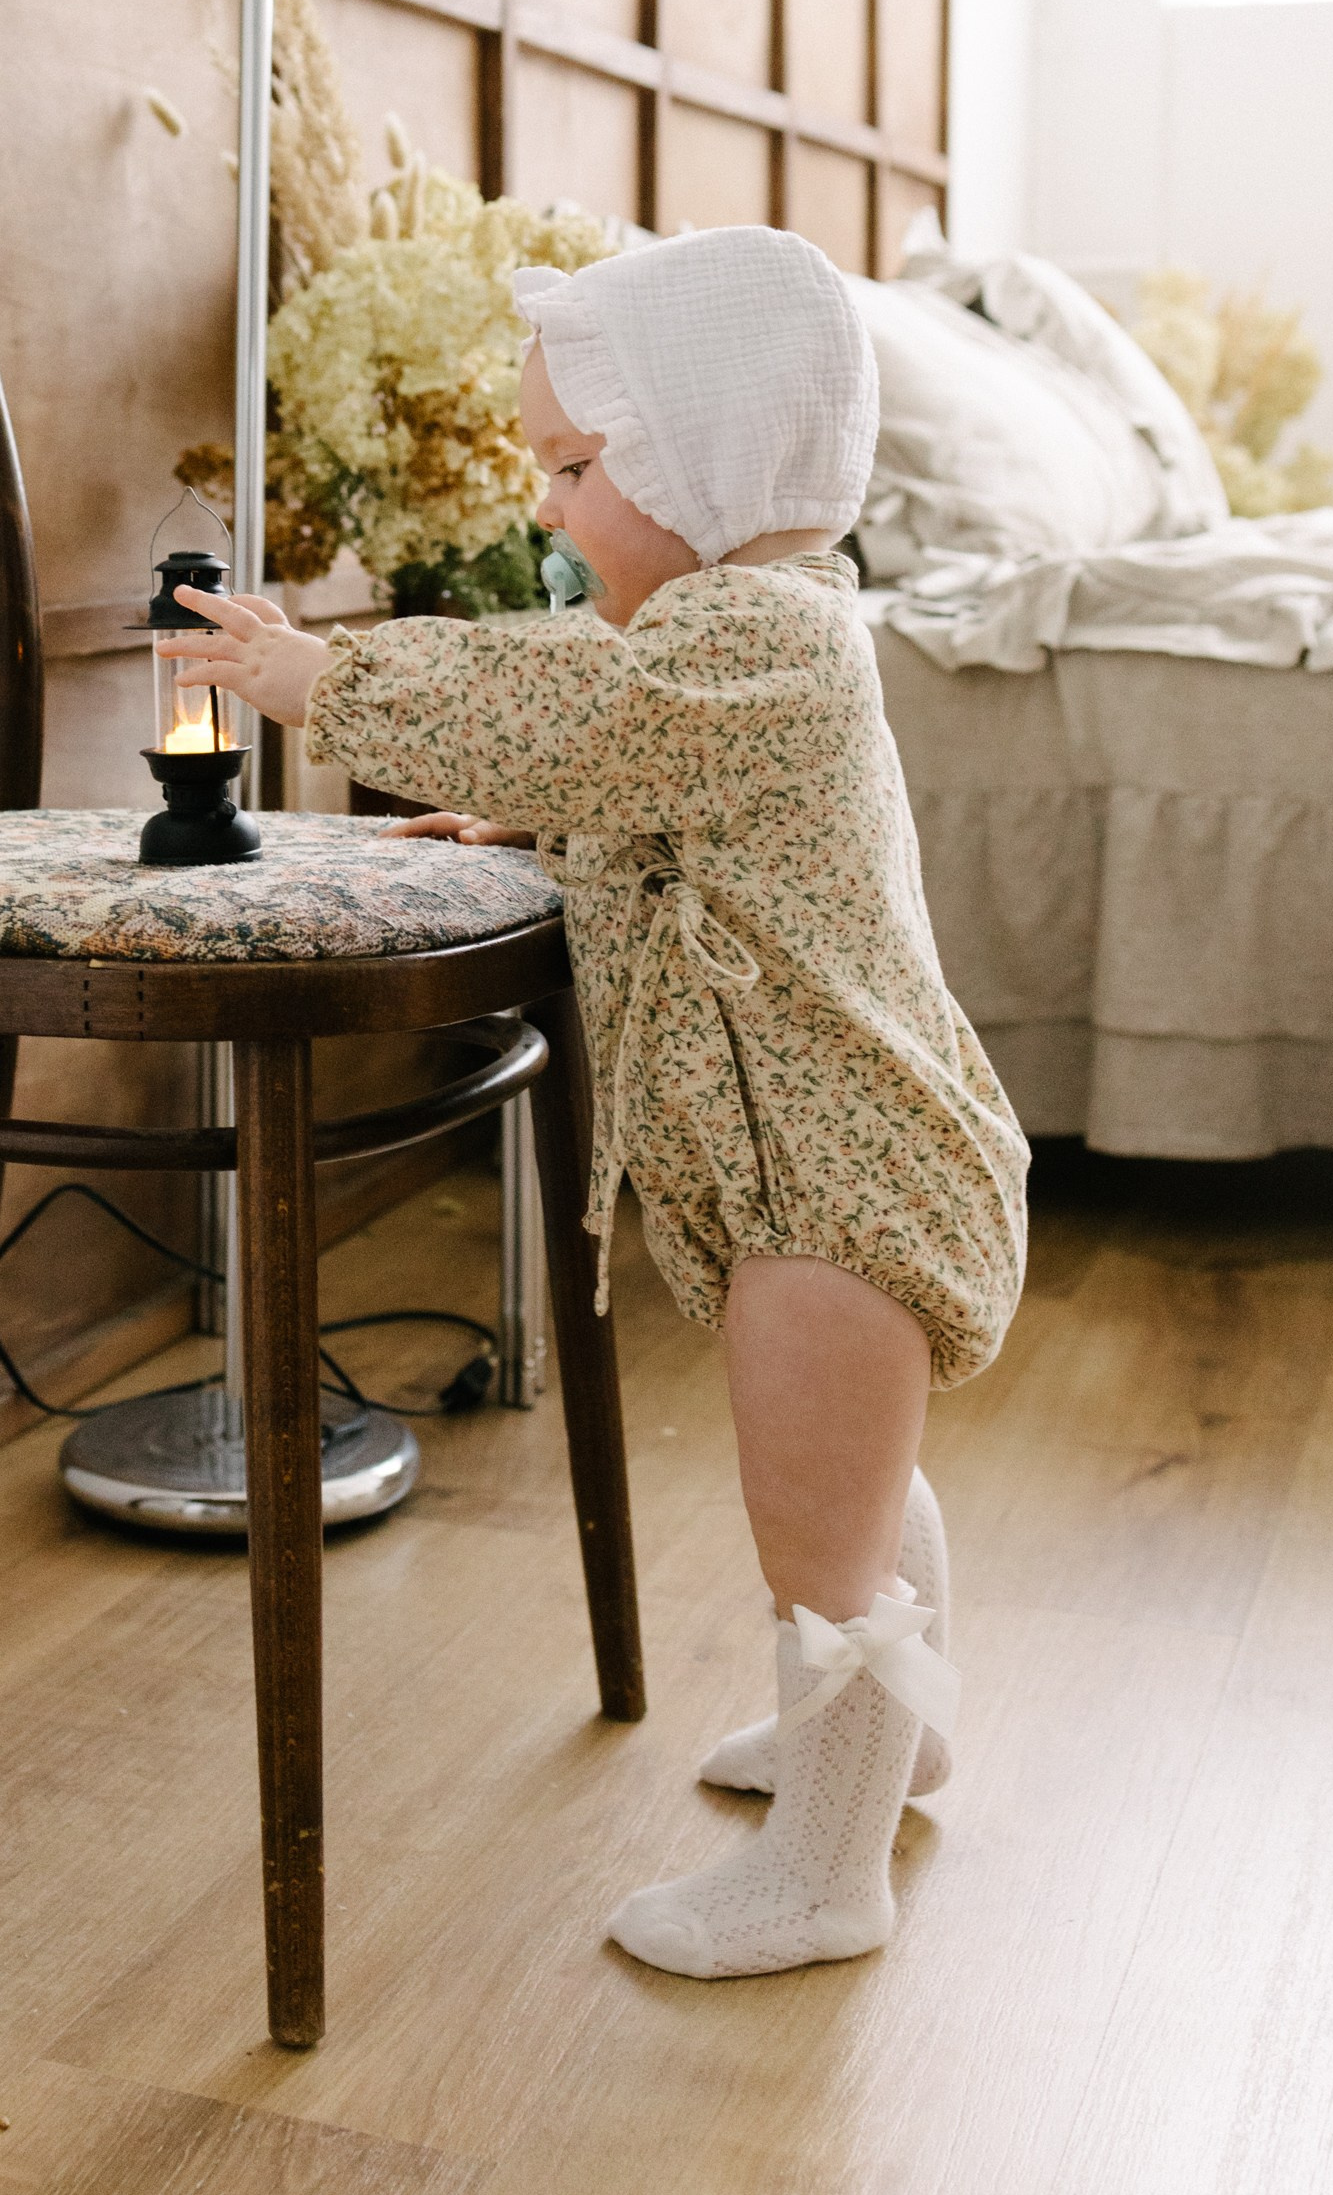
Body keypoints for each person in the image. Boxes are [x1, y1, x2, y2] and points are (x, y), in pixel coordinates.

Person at [164, 225, 1028, 1981]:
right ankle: (888, 1743)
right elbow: (658, 783)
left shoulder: (754, 634)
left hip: (842, 1178)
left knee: (821, 1535)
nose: (548, 509)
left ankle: (828, 1873)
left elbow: (574, 706)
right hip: (814, 1168)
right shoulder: (724, 645)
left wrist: (329, 680)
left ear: (708, 462)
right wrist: (538, 822)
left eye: (574, 469)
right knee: (855, 1486)